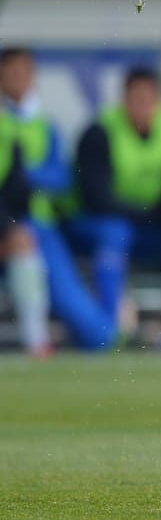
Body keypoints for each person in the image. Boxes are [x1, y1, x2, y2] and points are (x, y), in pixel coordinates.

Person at [65, 67, 161, 343]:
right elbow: (96, 199)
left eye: (149, 99)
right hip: (91, 225)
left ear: (158, 101)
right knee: (114, 232)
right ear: (124, 99)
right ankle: (110, 332)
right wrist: (152, 214)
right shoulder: (100, 132)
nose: (143, 106)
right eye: (137, 99)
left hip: (143, 225)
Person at [0, 47, 113, 350]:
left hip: (37, 223)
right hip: (7, 223)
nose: (17, 79)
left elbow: (62, 178)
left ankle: (100, 336)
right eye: (10, 73)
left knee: (66, 293)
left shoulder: (45, 127)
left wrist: (29, 177)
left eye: (23, 73)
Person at [0, 106, 51, 356]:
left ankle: (37, 342)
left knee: (23, 241)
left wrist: (7, 229)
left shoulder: (9, 138)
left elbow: (11, 194)